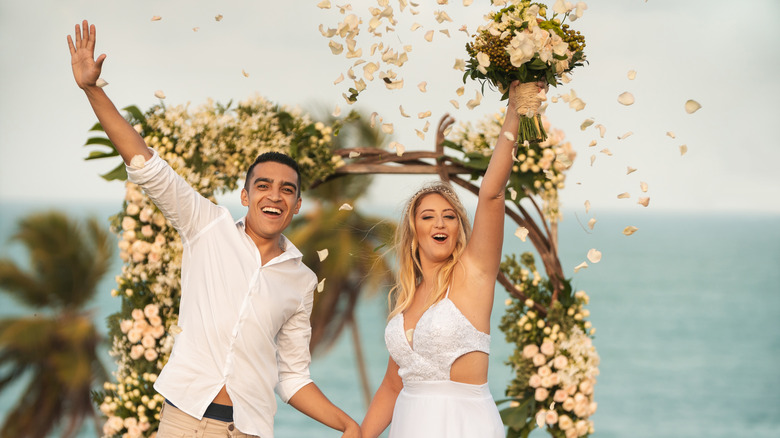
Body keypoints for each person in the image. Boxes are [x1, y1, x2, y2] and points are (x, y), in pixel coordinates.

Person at [67, 20, 360, 438]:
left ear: (297, 205)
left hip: (247, 430)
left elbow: (292, 378)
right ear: (245, 196)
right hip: (182, 422)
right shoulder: (207, 227)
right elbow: (148, 166)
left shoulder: (301, 281)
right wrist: (92, 90)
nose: (274, 196)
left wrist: (347, 423)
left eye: (286, 190)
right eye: (263, 186)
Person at [360, 81, 528, 437]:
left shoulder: (473, 276)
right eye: (428, 216)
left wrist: (514, 111)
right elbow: (392, 387)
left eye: (449, 216)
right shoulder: (405, 300)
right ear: (414, 231)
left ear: (458, 229)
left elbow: (493, 194)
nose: (439, 222)